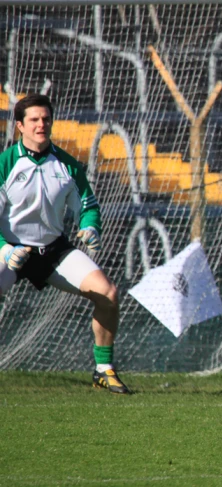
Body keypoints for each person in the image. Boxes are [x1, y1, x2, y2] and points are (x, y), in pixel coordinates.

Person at [0, 94, 129, 394]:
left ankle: (103, 370)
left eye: (45, 119)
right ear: (19, 125)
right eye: (33, 119)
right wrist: (6, 249)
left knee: (108, 293)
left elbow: (88, 206)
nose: (41, 124)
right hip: (10, 248)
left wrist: (90, 227)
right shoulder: (5, 165)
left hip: (54, 250)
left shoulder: (68, 165)